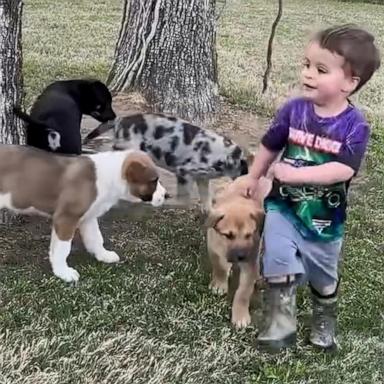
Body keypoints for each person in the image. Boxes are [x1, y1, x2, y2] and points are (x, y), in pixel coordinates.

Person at [245, 24, 381, 350]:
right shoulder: (294, 110)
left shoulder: (355, 125)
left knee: (323, 277)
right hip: (284, 206)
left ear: (350, 83)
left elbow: (342, 169)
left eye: (321, 69)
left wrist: (295, 175)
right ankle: (280, 324)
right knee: (276, 258)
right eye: (306, 64)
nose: (308, 74)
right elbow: (269, 144)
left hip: (325, 217)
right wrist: (254, 176)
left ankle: (324, 319)